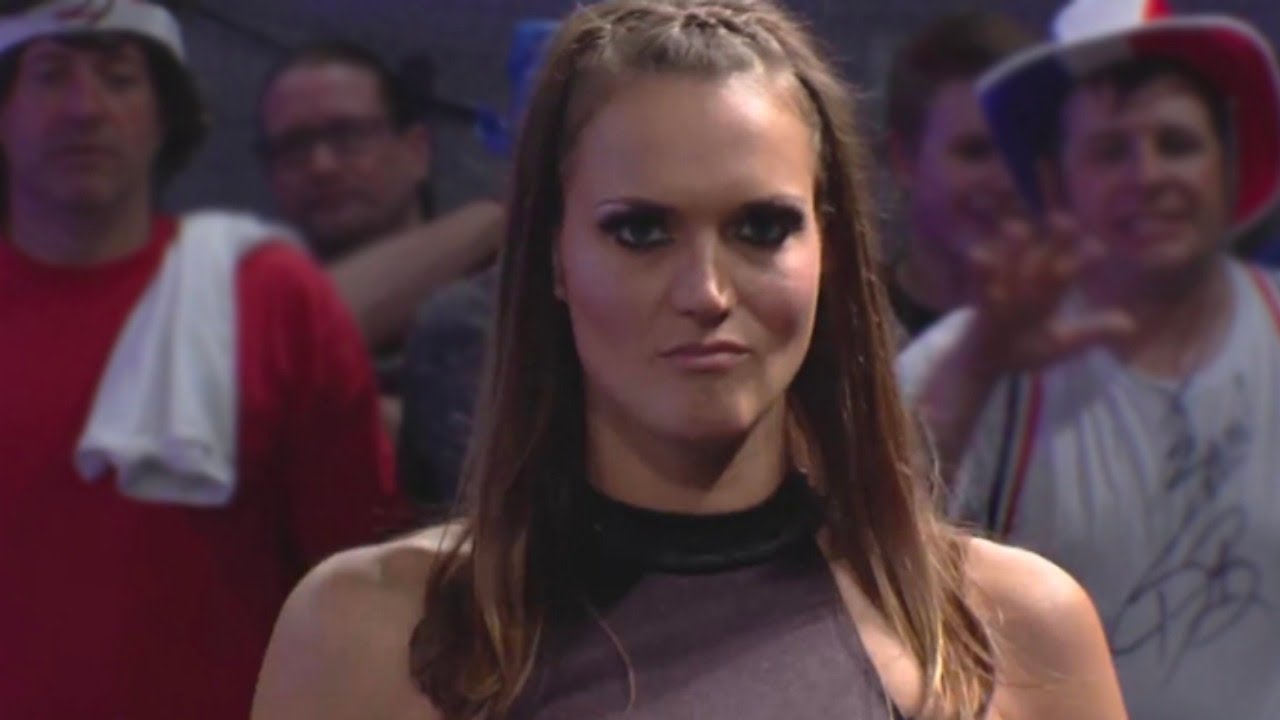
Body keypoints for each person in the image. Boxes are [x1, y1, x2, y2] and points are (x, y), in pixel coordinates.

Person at [253, 2, 1127, 719]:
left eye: (761, 228)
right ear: (554, 254)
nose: (706, 291)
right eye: (640, 231)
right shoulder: (370, 637)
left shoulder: (1013, 632)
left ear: (828, 249)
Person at [0, 2, 404, 718]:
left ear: (164, 116)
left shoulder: (271, 296)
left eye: (119, 77)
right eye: (50, 75)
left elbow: (361, 577)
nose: (84, 109)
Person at [899, 0, 1280, 717]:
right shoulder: (969, 360)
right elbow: (861, 565)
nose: (1148, 174)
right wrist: (973, 372)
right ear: (1053, 182)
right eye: (1110, 151)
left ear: (1228, 166)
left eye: (1176, 143)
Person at [257, 41, 504, 397]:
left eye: (348, 135)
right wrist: (492, 218)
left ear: (417, 151)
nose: (321, 166)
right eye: (293, 146)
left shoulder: (506, 297)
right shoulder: (222, 301)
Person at [883, 11, 1034, 340]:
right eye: (976, 152)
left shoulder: (1102, 335)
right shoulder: (831, 336)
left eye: (1023, 149)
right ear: (903, 159)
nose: (1007, 181)